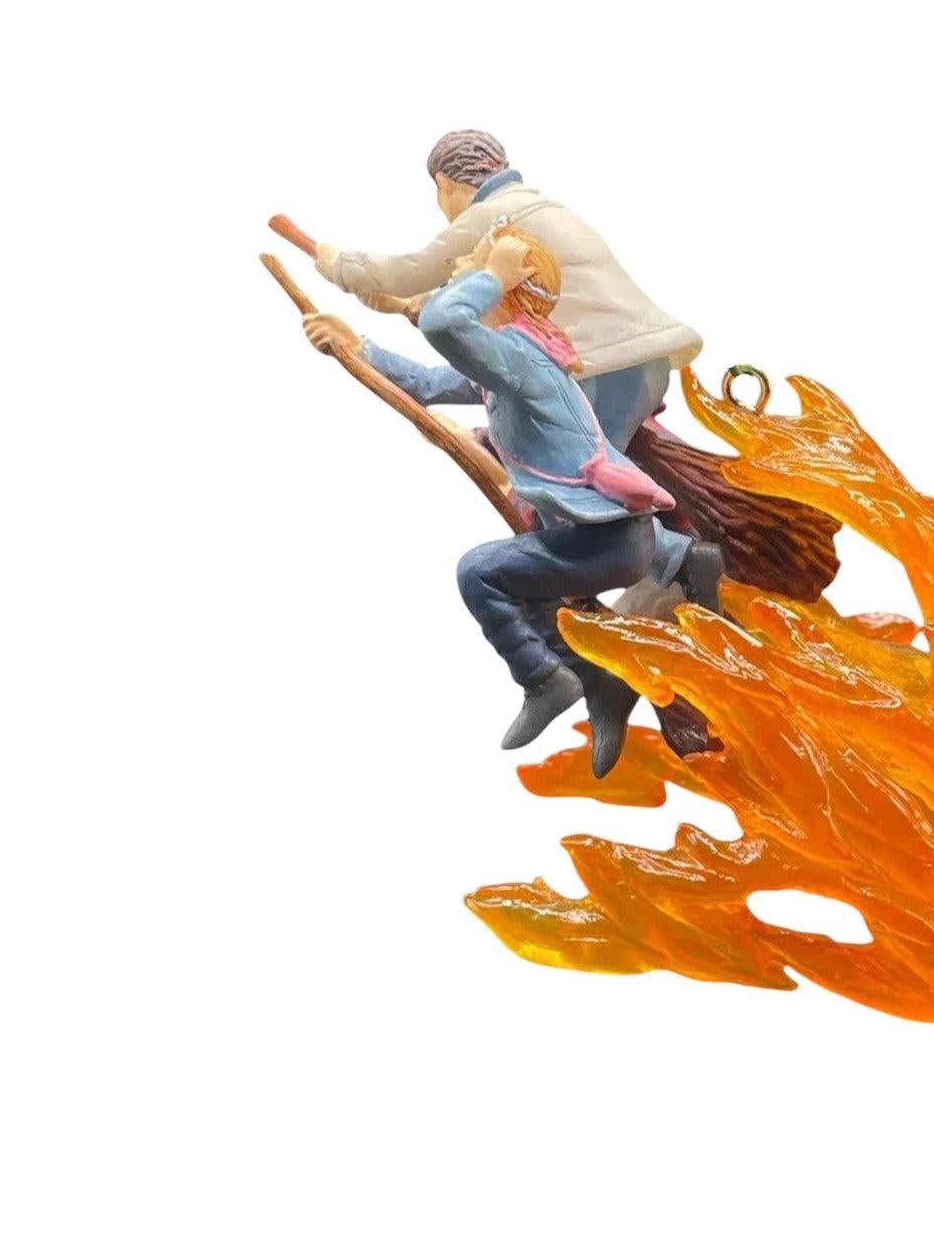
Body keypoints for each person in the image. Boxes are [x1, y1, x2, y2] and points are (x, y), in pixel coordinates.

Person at [302, 229, 714, 775]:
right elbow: (424, 383)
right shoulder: (509, 358)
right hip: (607, 532)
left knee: (480, 573)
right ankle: (672, 577)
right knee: (528, 580)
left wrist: (494, 272)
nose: (457, 273)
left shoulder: (519, 357)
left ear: (505, 287)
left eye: (471, 267)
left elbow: (442, 323)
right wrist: (356, 345)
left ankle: (547, 679)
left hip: (607, 541)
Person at [309, 129, 700, 455]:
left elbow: (411, 273)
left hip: (600, 368)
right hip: (640, 358)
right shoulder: (541, 206)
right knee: (585, 477)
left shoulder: (492, 215)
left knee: (579, 487)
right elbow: (451, 367)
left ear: (445, 185)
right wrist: (376, 335)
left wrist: (339, 265)